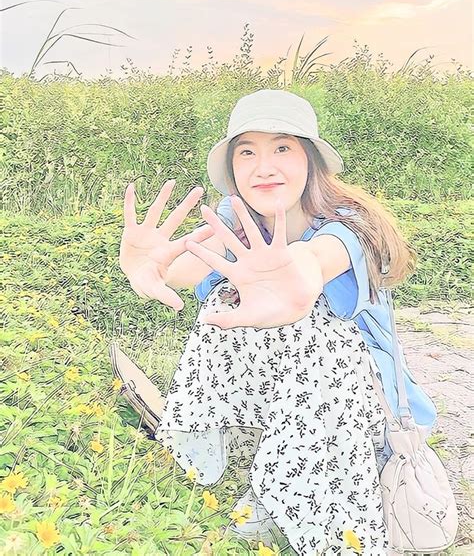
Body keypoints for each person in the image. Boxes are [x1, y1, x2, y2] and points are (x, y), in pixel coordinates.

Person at [119, 89, 437, 556]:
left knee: (310, 331)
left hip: (361, 407)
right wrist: (152, 265)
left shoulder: (348, 224)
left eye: (282, 148)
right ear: (233, 168)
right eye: (247, 151)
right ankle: (226, 444)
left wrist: (298, 277)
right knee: (223, 307)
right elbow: (187, 267)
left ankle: (285, 491)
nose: (263, 166)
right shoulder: (237, 217)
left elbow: (313, 262)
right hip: (296, 394)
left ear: (310, 160)